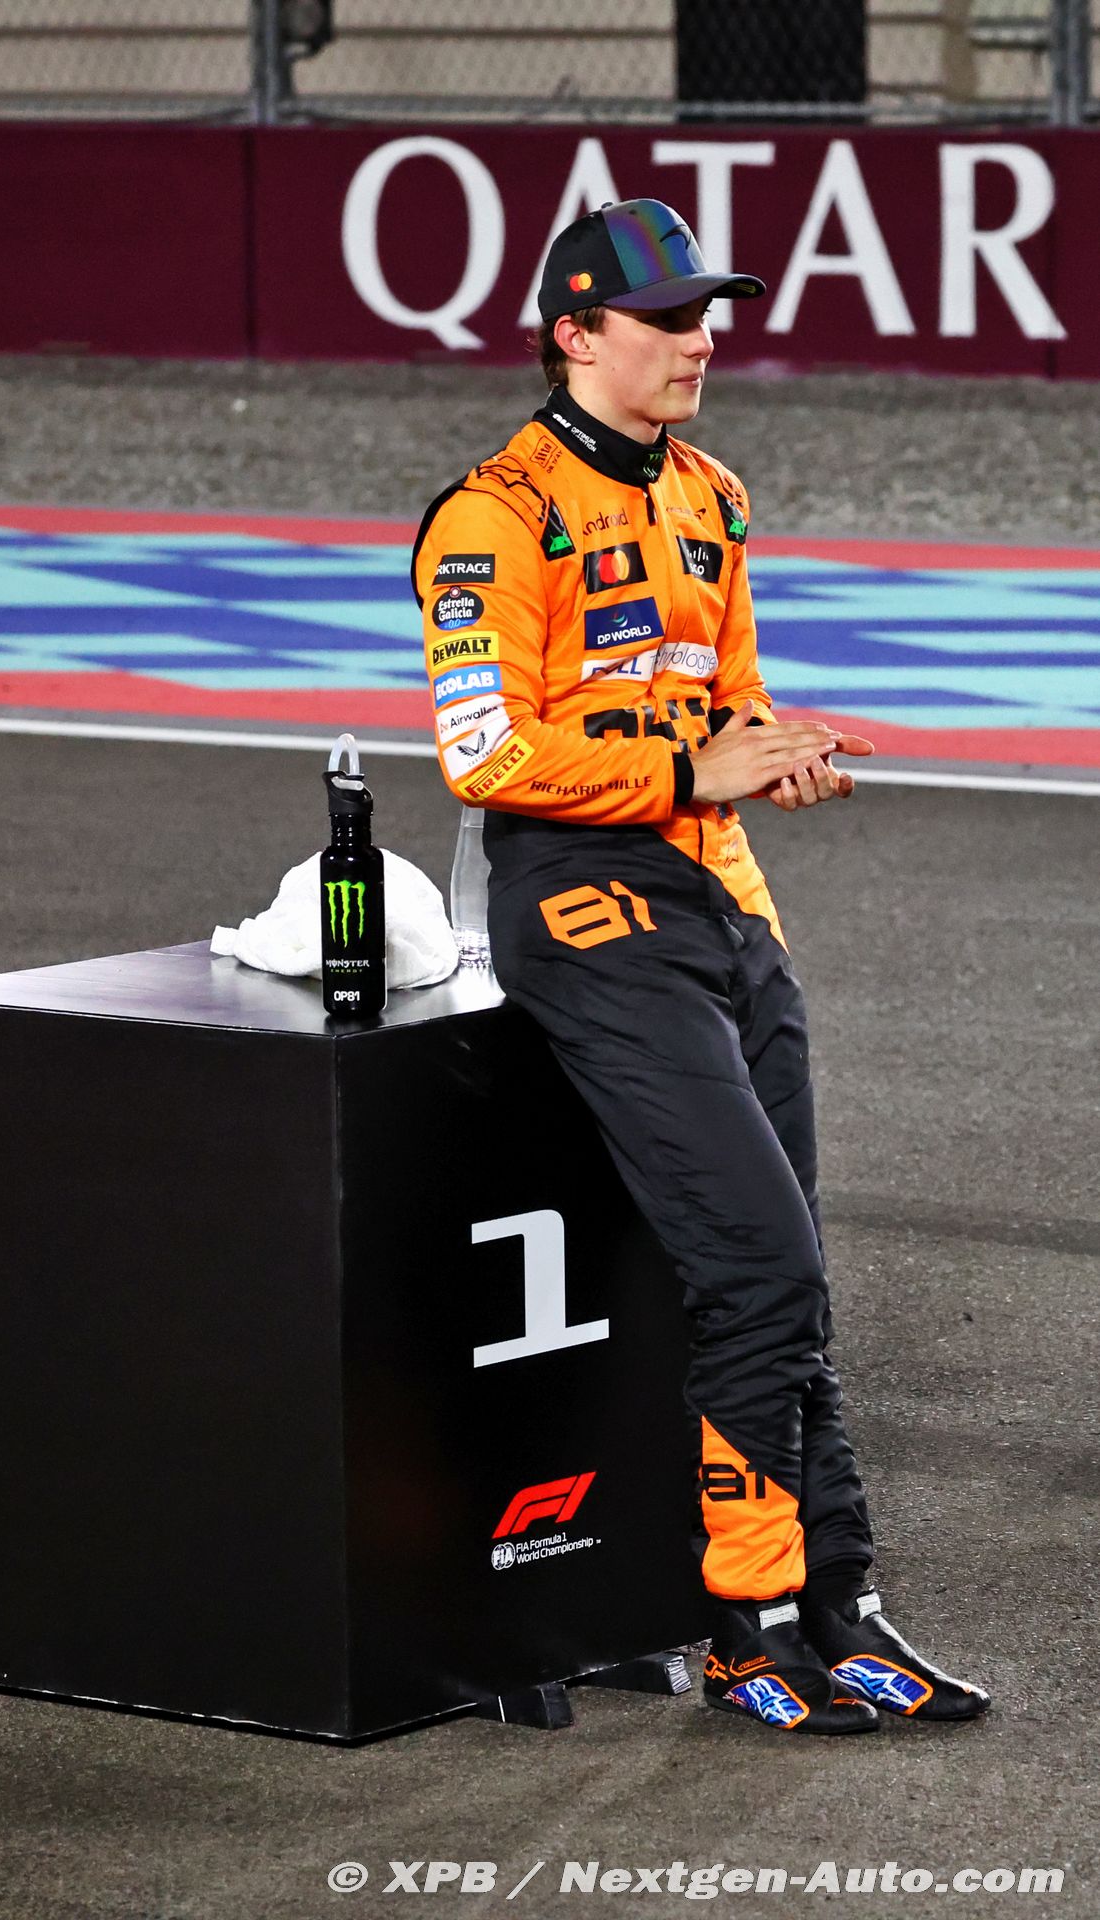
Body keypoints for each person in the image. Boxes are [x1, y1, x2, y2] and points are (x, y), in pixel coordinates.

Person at [412, 198, 990, 1735]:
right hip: (583, 908)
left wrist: (771, 751)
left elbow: (725, 698)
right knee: (761, 1269)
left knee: (791, 1285)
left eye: (706, 313)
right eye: (665, 318)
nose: (699, 340)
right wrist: (690, 768)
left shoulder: (712, 494)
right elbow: (483, 752)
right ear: (573, 334)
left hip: (723, 905)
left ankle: (838, 1604)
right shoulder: (492, 513)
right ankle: (743, 1620)